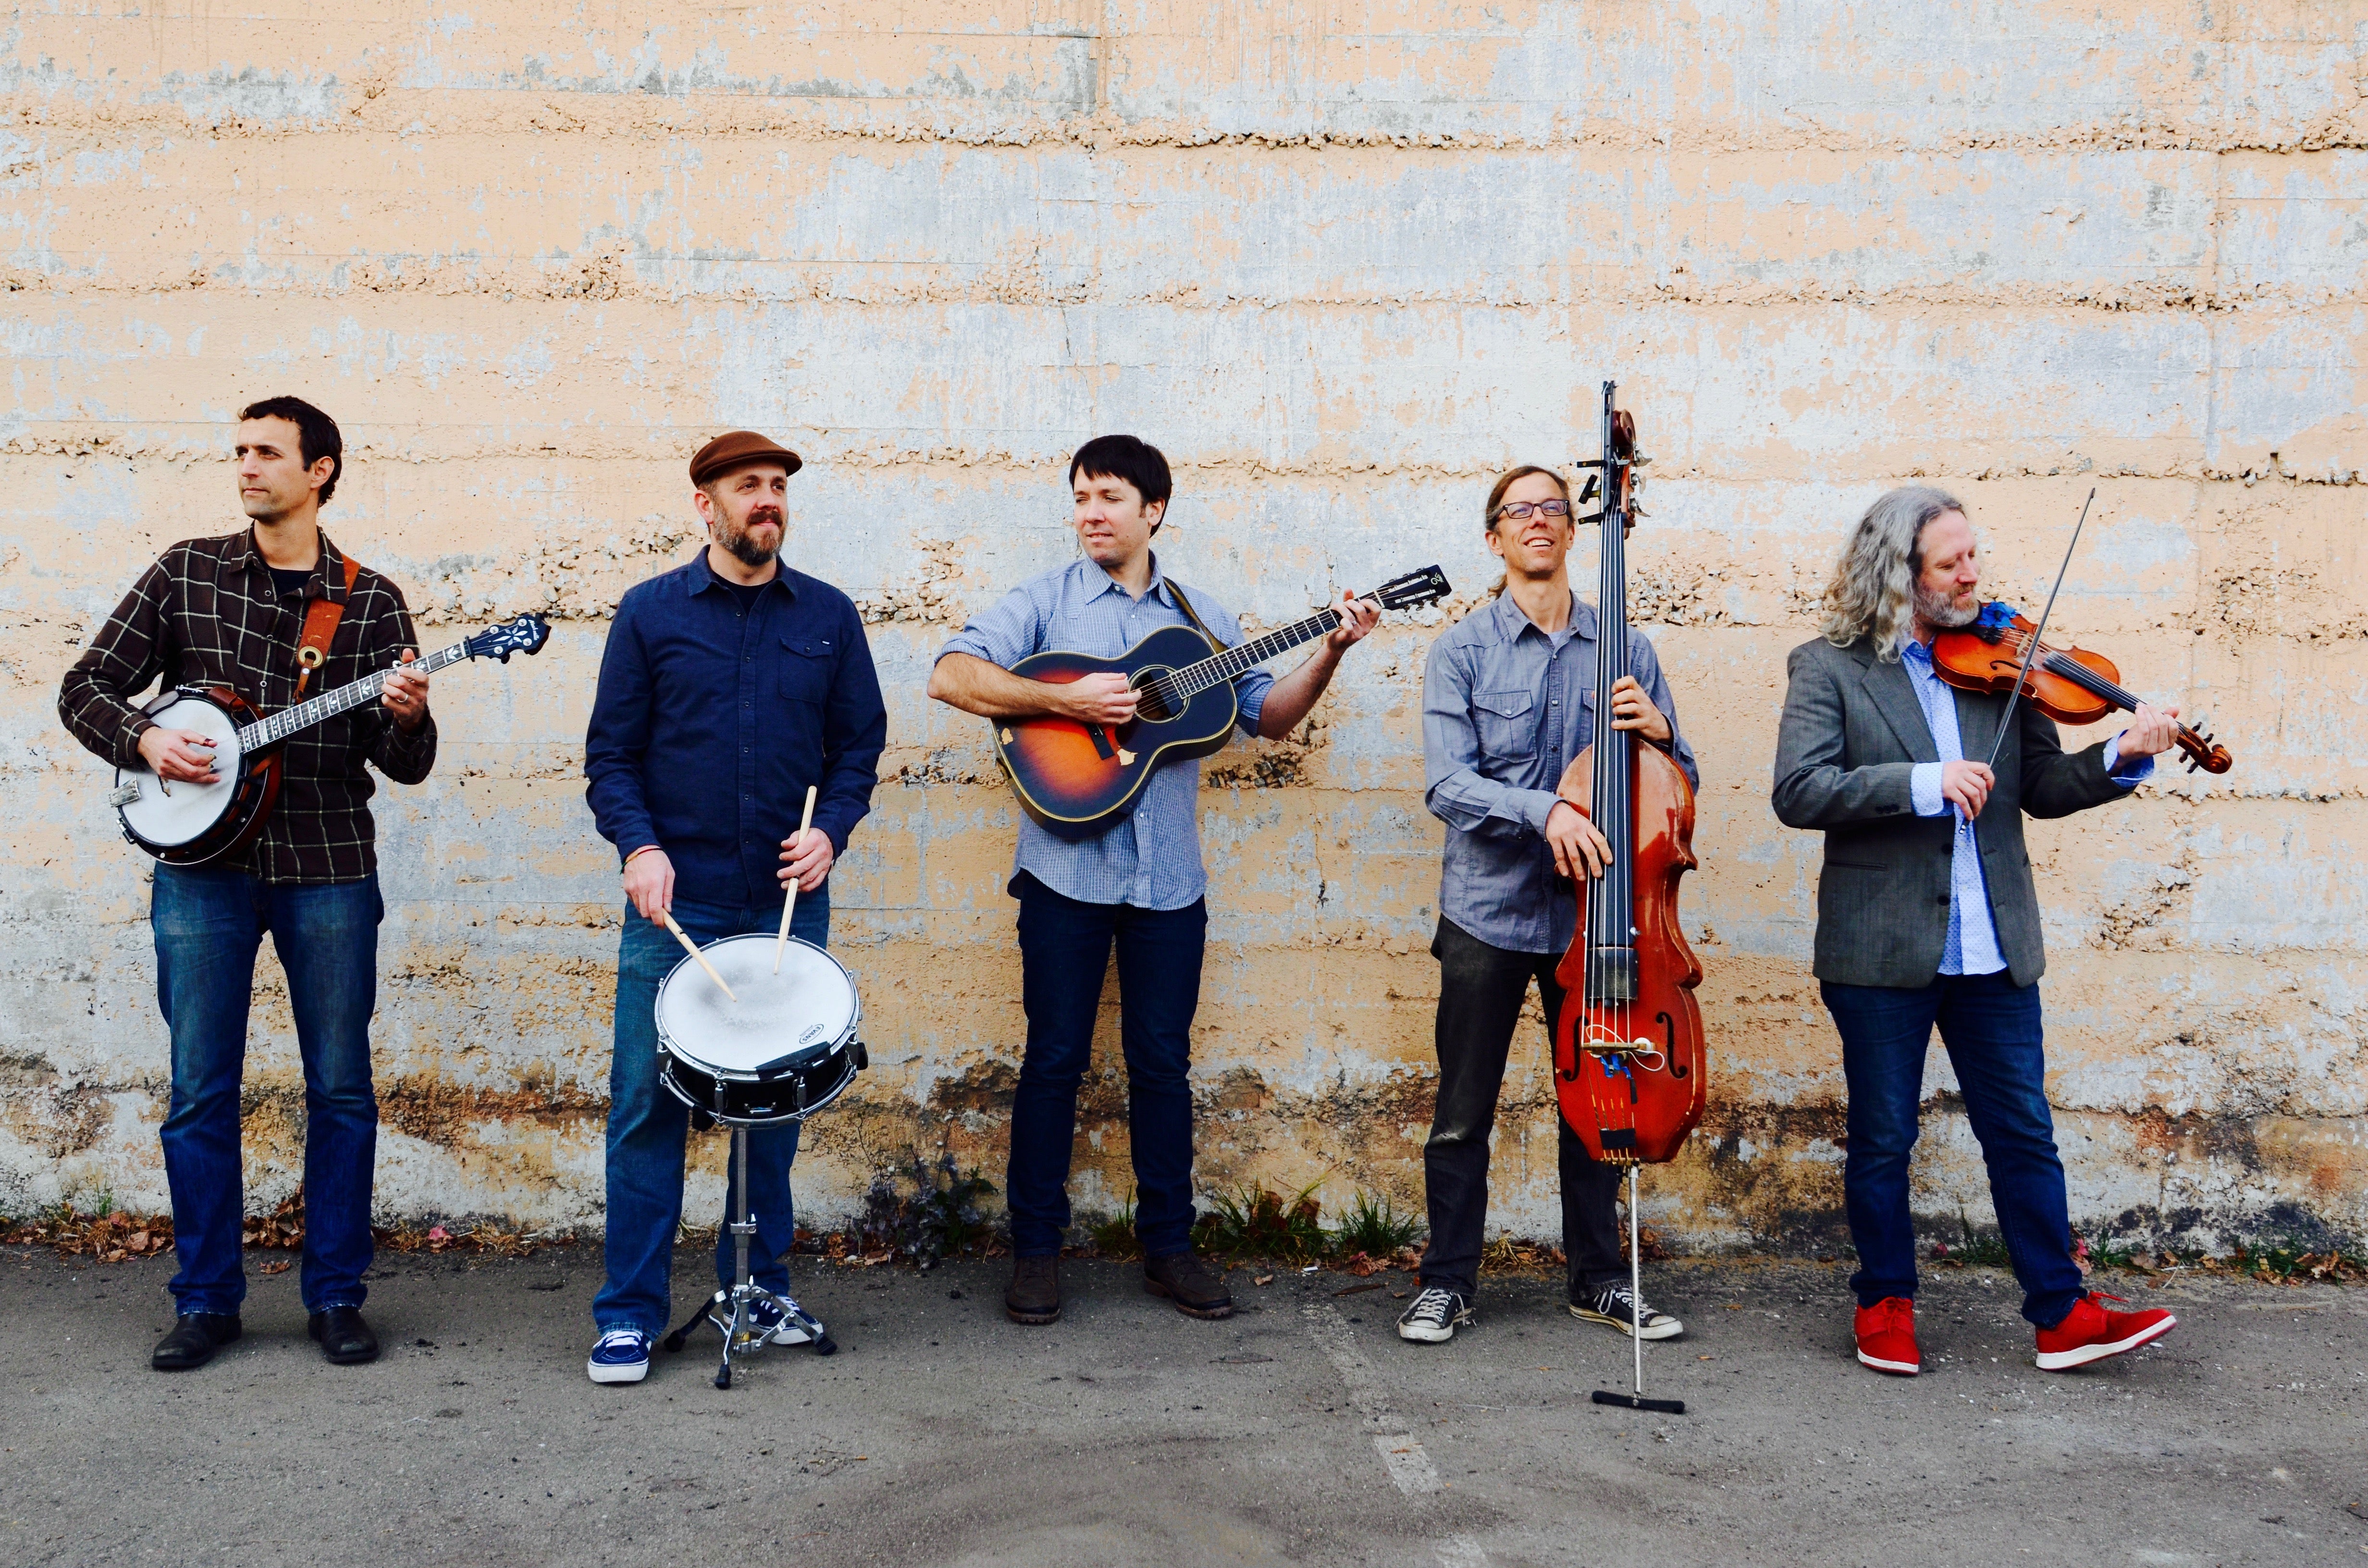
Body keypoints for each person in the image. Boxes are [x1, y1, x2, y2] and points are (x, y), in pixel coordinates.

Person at [928, 434, 1377, 1326]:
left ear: (1154, 511)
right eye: (1081, 498)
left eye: (1109, 499)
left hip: (1169, 884)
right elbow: (951, 676)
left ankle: (1169, 1249)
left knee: (1161, 1068)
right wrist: (1069, 701)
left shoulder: (1198, 618)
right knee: (1053, 1062)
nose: (1091, 514)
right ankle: (1036, 1254)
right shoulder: (1046, 603)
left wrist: (1330, 651)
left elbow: (1271, 718)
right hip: (1062, 872)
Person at [59, 395, 436, 1372]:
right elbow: (85, 687)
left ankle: (338, 1298)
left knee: (342, 1090)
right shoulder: (186, 572)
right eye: (238, 452)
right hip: (203, 874)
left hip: (329, 867)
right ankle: (205, 1302)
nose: (246, 467)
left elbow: (407, 763)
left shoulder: (370, 598)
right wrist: (143, 737)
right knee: (198, 1093)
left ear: (321, 470)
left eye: (267, 452)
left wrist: (403, 714)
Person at [1771, 485, 2181, 1375]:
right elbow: (1799, 790)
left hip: (1994, 943)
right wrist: (1922, 783)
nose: (1973, 576)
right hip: (1881, 948)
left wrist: (2123, 755)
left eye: (1972, 557)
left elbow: (2043, 788)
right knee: (1884, 1135)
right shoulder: (1828, 666)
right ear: (1899, 575)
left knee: (2023, 1132)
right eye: (1951, 562)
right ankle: (1884, 1302)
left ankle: (2061, 1314)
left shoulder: (2004, 662)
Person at [581, 430, 886, 1385]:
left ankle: (758, 1290)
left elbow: (856, 748)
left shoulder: (828, 617)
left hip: (786, 906)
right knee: (647, 1113)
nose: (768, 500)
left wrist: (831, 830)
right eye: (748, 486)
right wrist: (639, 847)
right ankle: (627, 1316)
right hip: (677, 909)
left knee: (774, 1115)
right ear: (703, 505)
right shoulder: (650, 615)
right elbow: (611, 759)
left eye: (778, 487)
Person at [1394, 465, 1698, 1347]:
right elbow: (1448, 784)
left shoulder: (1627, 651)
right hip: (1488, 911)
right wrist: (1548, 810)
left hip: (1601, 917)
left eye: (1554, 509)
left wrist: (1663, 736)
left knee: (1602, 1098)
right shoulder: (1462, 650)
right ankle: (1447, 1281)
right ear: (1495, 539)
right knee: (1463, 1111)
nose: (1538, 521)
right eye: (1518, 511)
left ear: (1574, 532)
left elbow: (1680, 787)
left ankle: (1599, 1279)